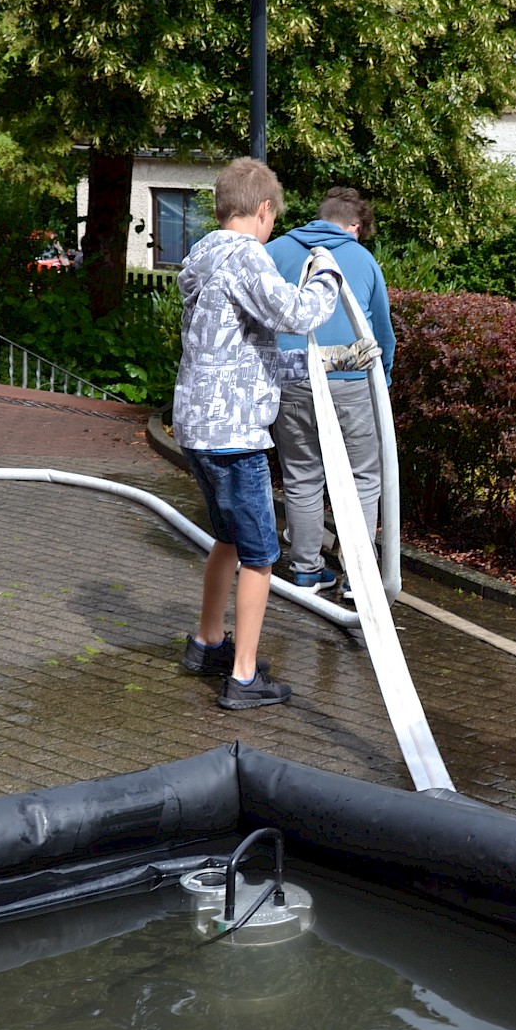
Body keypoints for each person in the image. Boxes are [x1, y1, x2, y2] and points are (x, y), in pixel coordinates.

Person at [172, 157, 362, 709]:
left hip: (198, 426)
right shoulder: (243, 256)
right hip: (236, 436)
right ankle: (245, 677)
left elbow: (241, 352)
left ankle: (208, 644)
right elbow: (299, 314)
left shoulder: (203, 257)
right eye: (273, 220)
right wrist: (328, 272)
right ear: (262, 210)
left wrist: (323, 363)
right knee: (258, 556)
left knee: (228, 540)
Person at [267, 187, 394, 601]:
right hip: (350, 382)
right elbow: (381, 331)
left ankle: (305, 572)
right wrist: (384, 379)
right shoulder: (361, 258)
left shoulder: (278, 250)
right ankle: (358, 579)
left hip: (292, 377)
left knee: (302, 475)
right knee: (362, 477)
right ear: (354, 226)